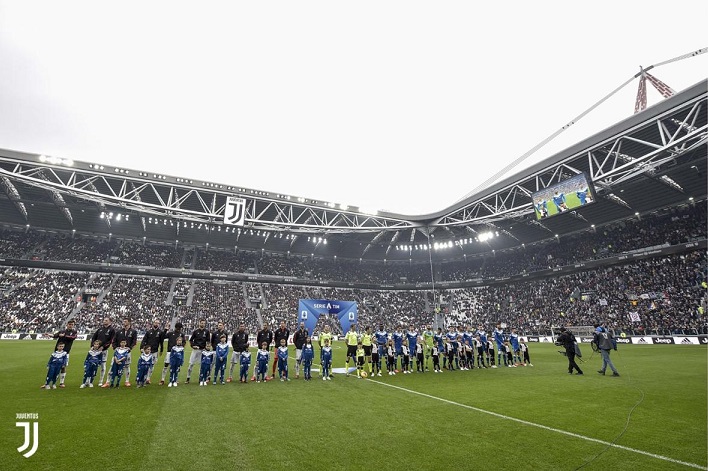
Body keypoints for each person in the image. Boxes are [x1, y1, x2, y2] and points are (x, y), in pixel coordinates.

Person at [111, 318, 137, 387]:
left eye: (125, 321)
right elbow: (114, 340)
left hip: (127, 352)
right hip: (118, 352)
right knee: (113, 364)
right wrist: (115, 347)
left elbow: (134, 341)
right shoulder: (119, 331)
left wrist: (130, 348)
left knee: (127, 366)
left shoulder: (133, 331)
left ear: (129, 322)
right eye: (123, 321)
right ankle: (109, 381)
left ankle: (127, 381)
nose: (124, 322)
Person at [52, 319, 77, 388]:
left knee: (63, 367)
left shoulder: (74, 332)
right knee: (55, 366)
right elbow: (55, 335)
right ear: (67, 325)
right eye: (70, 324)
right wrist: (51, 335)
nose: (71, 326)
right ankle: (53, 381)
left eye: (72, 325)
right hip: (57, 352)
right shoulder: (62, 331)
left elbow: (73, 337)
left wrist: (64, 335)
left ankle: (61, 382)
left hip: (66, 352)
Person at [91, 317, 115, 386]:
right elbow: (94, 337)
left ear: (110, 321)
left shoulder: (112, 330)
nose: (104, 321)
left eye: (106, 320)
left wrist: (103, 347)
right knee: (93, 364)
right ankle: (90, 380)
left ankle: (101, 380)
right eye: (104, 320)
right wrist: (93, 345)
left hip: (104, 350)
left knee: (102, 365)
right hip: (95, 351)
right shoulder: (100, 329)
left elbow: (111, 340)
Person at [140, 320, 164, 385]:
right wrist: (141, 348)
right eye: (155, 322)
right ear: (153, 323)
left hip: (155, 351)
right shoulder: (149, 332)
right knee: (145, 364)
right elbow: (144, 340)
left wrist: (161, 350)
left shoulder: (160, 332)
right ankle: (142, 377)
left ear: (159, 324)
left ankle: (148, 378)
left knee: (152, 365)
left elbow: (161, 342)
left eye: (158, 323)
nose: (156, 324)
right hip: (147, 351)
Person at [187, 318, 210, 385]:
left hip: (202, 351)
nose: (202, 324)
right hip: (195, 350)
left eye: (203, 323)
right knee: (191, 364)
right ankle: (188, 378)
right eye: (201, 323)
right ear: (199, 323)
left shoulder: (207, 332)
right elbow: (191, 340)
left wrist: (206, 348)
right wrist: (193, 346)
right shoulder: (195, 331)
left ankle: (201, 379)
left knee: (201, 366)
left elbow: (208, 341)